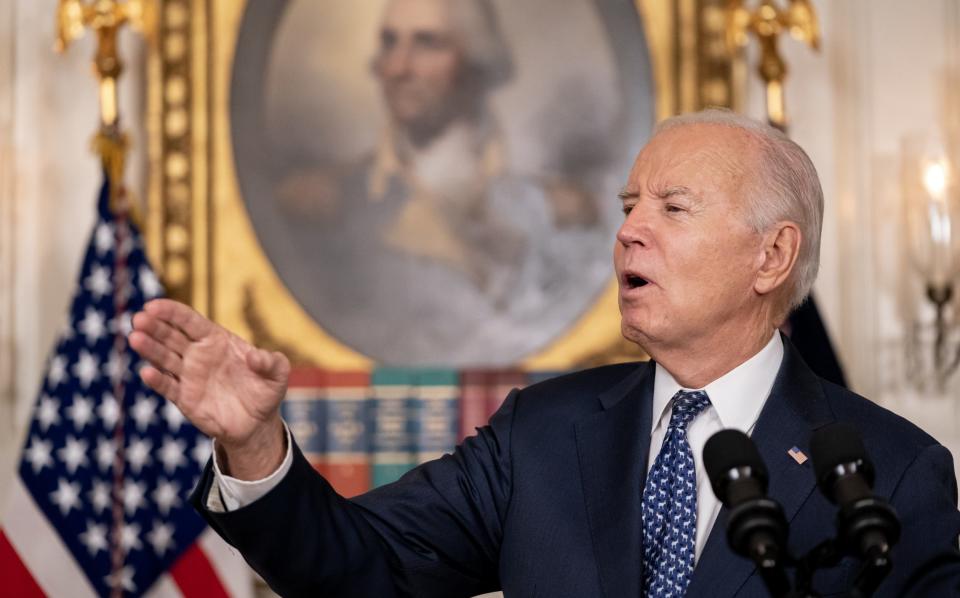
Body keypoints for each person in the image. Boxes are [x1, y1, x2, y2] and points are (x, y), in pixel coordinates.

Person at [130, 110, 960, 597]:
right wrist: (253, 443)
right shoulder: (542, 433)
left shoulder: (892, 473)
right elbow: (359, 569)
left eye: (674, 207)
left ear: (771, 256)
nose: (630, 228)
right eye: (631, 203)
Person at [271, 0, 613, 366]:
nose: (399, 67)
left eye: (427, 44)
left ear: (475, 66)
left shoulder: (558, 211)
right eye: (389, 42)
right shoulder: (320, 204)